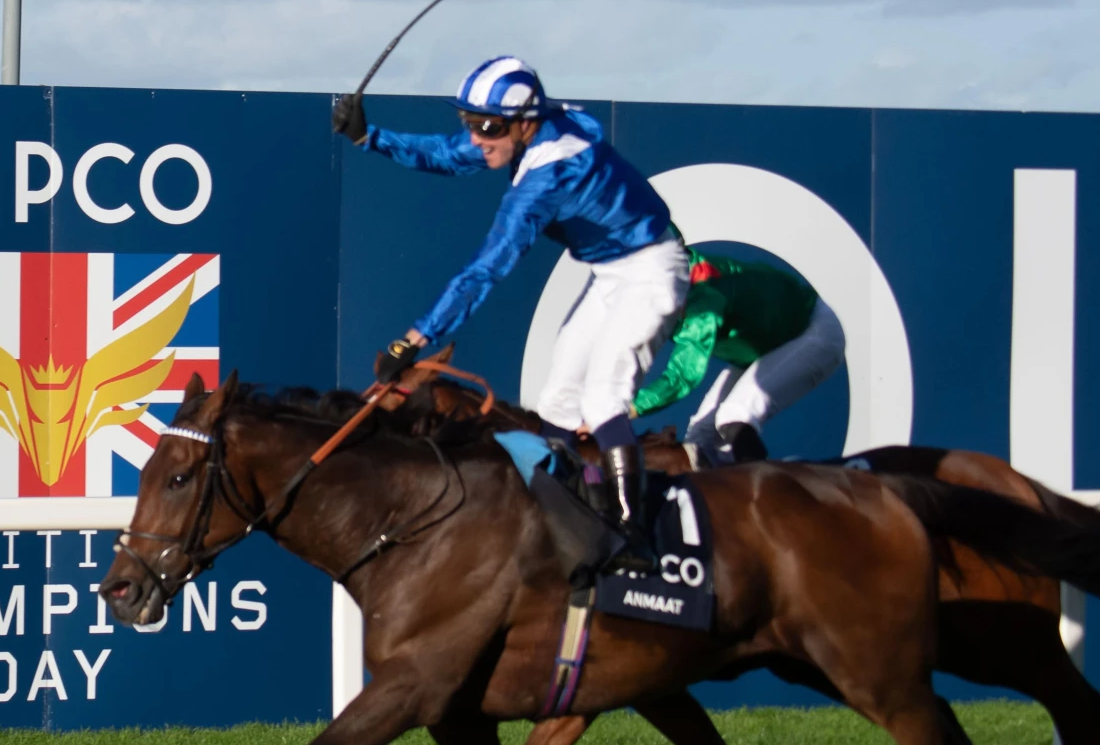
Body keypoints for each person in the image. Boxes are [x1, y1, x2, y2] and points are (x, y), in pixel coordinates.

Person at [333, 56, 687, 553]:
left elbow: (486, 269)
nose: (477, 137)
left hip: (651, 272)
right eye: (471, 123)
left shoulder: (547, 176)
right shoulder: (529, 131)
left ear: (524, 123)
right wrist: (369, 137)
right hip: (611, 274)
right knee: (558, 402)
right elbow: (453, 154)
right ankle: (563, 516)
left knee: (603, 399)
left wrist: (414, 339)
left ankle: (634, 537)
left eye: (488, 127)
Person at [631, 250, 846, 468]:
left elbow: (683, 376)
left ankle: (770, 491)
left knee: (735, 415)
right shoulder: (671, 276)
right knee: (699, 437)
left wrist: (630, 409)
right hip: (767, 344)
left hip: (813, 332)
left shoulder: (704, 301)